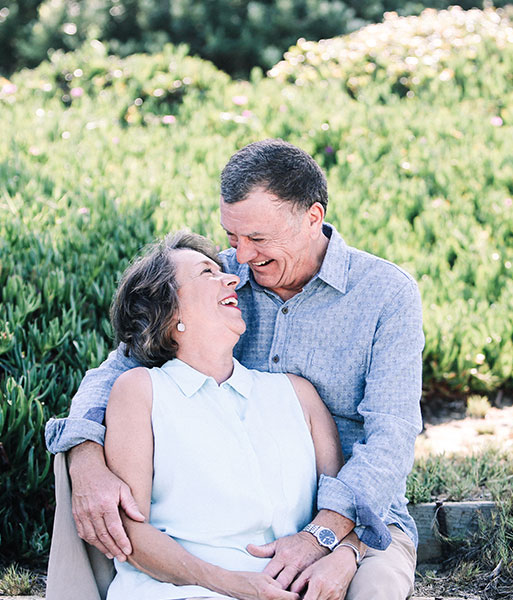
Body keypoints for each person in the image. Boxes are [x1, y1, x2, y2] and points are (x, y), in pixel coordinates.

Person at [45, 139, 424, 600]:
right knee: (91, 489)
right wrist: (83, 456)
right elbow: (114, 372)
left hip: (358, 518)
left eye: (258, 239)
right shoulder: (216, 279)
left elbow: (392, 435)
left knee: (372, 593)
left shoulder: (386, 294)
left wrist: (330, 539)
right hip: (219, 517)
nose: (241, 259)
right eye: (231, 238)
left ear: (312, 218)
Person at [74, 231, 357, 600]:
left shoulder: (298, 394)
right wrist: (232, 585)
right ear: (169, 311)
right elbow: (133, 533)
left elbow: (341, 506)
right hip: (178, 592)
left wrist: (345, 556)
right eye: (207, 273)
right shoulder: (140, 391)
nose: (232, 278)